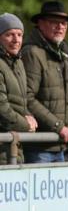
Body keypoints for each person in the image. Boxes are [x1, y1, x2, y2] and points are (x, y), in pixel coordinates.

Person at [21, 1, 68, 163]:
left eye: (64, 23)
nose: (60, 27)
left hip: (59, 145)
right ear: (40, 24)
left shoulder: (65, 55)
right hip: (39, 146)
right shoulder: (32, 53)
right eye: (54, 22)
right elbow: (27, 98)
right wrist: (58, 126)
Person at [0, 13, 37, 164]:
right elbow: (2, 108)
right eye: (9, 35)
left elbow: (20, 102)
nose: (16, 40)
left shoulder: (18, 62)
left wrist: (29, 116)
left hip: (14, 145)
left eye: (19, 35)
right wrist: (26, 124)